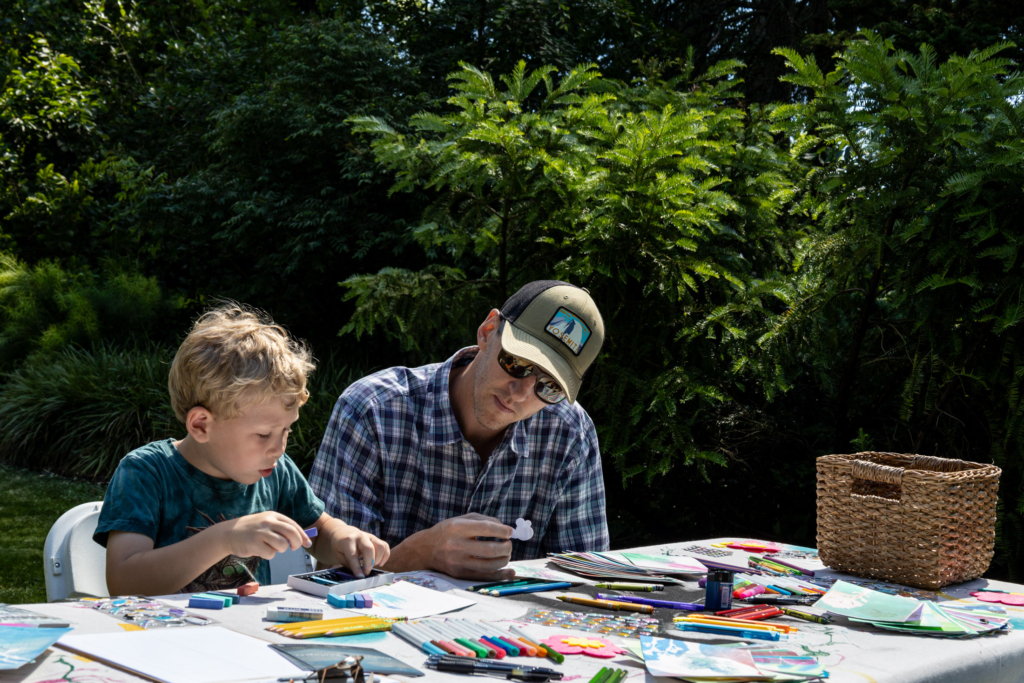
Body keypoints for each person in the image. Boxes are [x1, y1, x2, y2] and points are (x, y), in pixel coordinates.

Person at [310, 280, 609, 581]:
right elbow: (330, 578)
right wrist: (422, 554)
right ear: (488, 331)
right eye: (517, 363)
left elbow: (586, 580)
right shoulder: (372, 412)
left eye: (549, 387)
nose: (520, 393)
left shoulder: (570, 433)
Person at [94, 304, 390, 595]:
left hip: (238, 634)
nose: (279, 447)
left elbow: (318, 533)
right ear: (200, 426)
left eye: (286, 429)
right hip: (158, 636)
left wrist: (342, 538)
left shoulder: (276, 471)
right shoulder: (146, 473)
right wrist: (225, 538)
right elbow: (124, 582)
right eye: (263, 434)